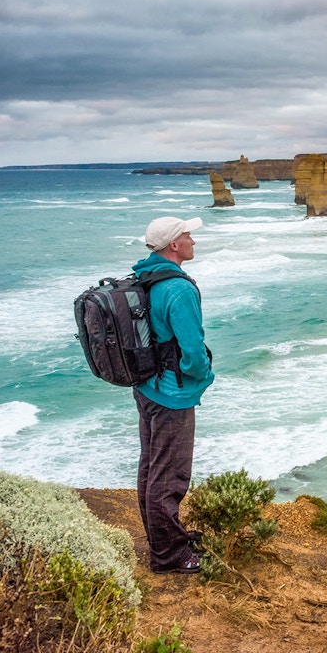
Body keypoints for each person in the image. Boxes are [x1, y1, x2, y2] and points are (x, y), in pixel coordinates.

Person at [132, 216, 215, 574]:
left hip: (147, 386)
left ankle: (164, 538)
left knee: (152, 466)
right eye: (188, 235)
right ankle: (168, 556)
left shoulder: (144, 277)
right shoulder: (178, 289)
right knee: (170, 476)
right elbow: (193, 351)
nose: (193, 240)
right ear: (174, 246)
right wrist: (205, 376)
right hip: (171, 395)